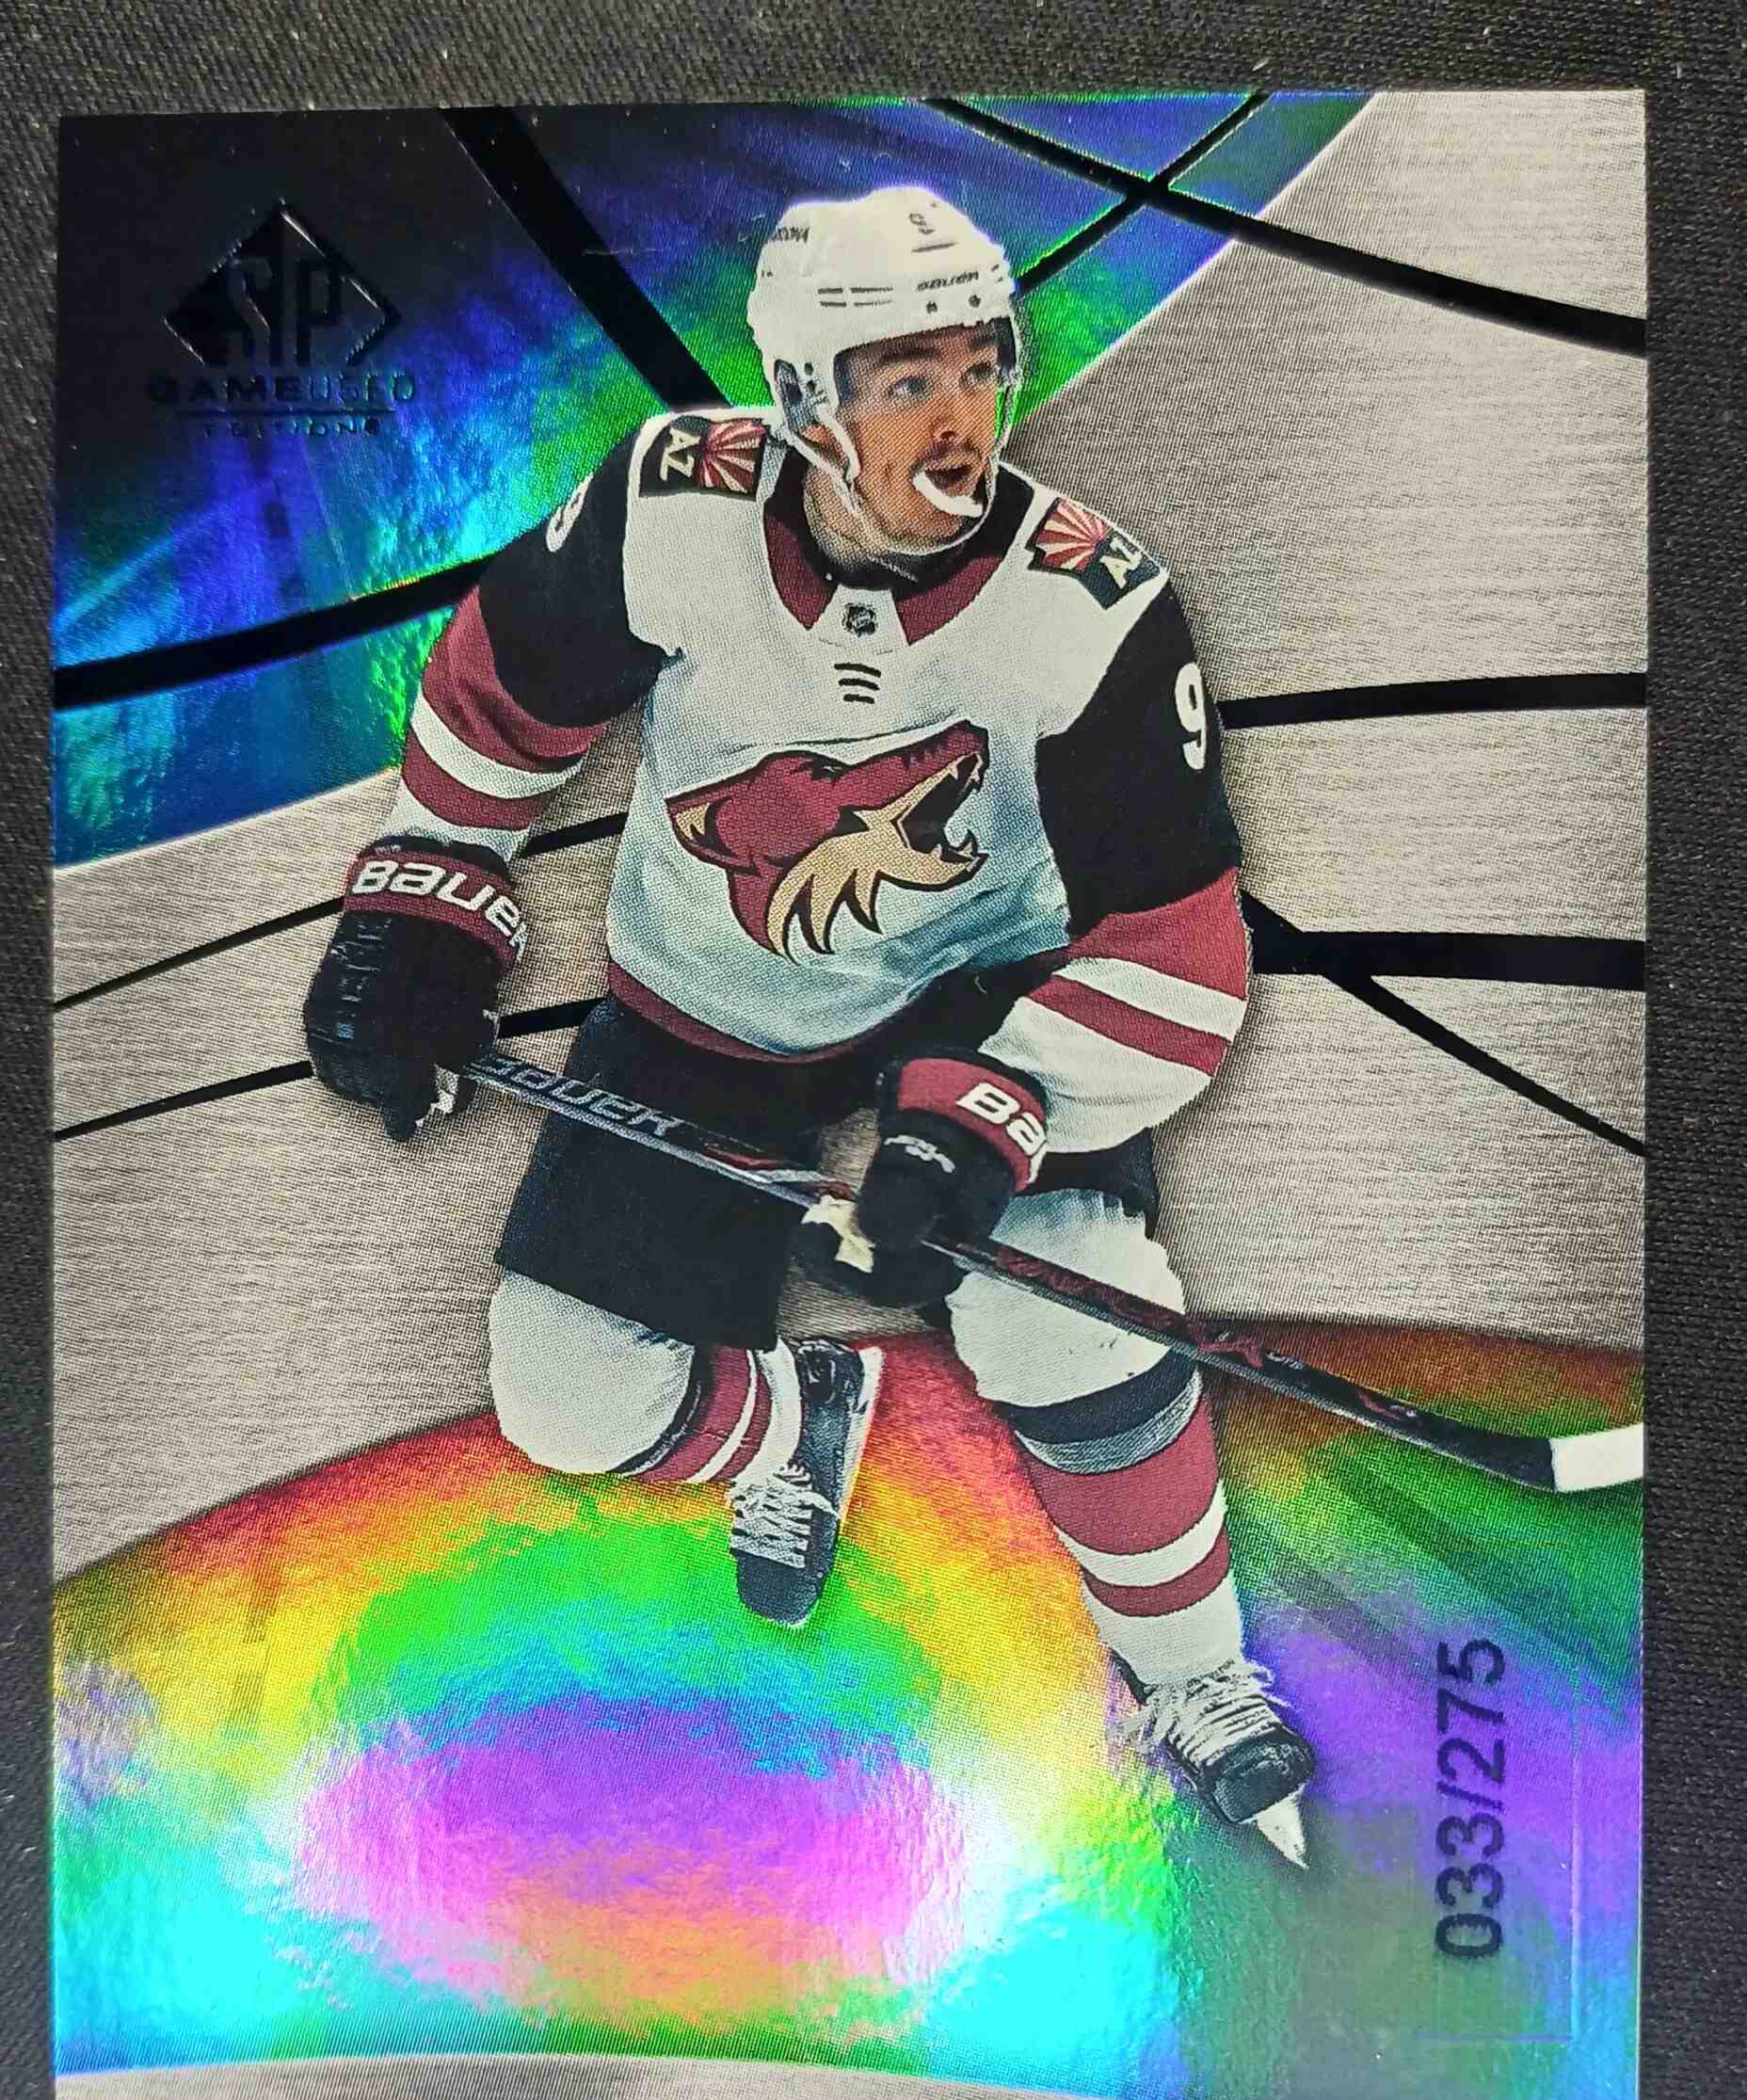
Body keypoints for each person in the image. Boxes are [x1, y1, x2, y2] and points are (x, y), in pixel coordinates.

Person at [303, 185, 1316, 1863]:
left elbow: (1179, 947)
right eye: (908, 381)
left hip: (988, 1000)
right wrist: (423, 898)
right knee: (569, 1402)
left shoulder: (1092, 608)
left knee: (1078, 1320)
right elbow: (503, 691)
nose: (962, 418)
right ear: (799, 398)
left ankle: (1199, 1674)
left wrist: (993, 1114)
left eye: (979, 368)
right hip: (713, 996)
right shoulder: (670, 503)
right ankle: (808, 1412)